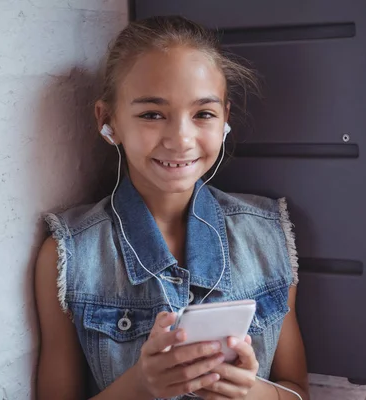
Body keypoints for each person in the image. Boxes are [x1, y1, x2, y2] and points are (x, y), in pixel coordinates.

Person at [34, 15, 309, 400]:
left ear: (225, 119)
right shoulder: (68, 257)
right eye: (152, 114)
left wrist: (255, 394)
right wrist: (141, 386)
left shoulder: (268, 236)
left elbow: (296, 389)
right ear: (107, 119)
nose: (181, 139)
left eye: (203, 114)